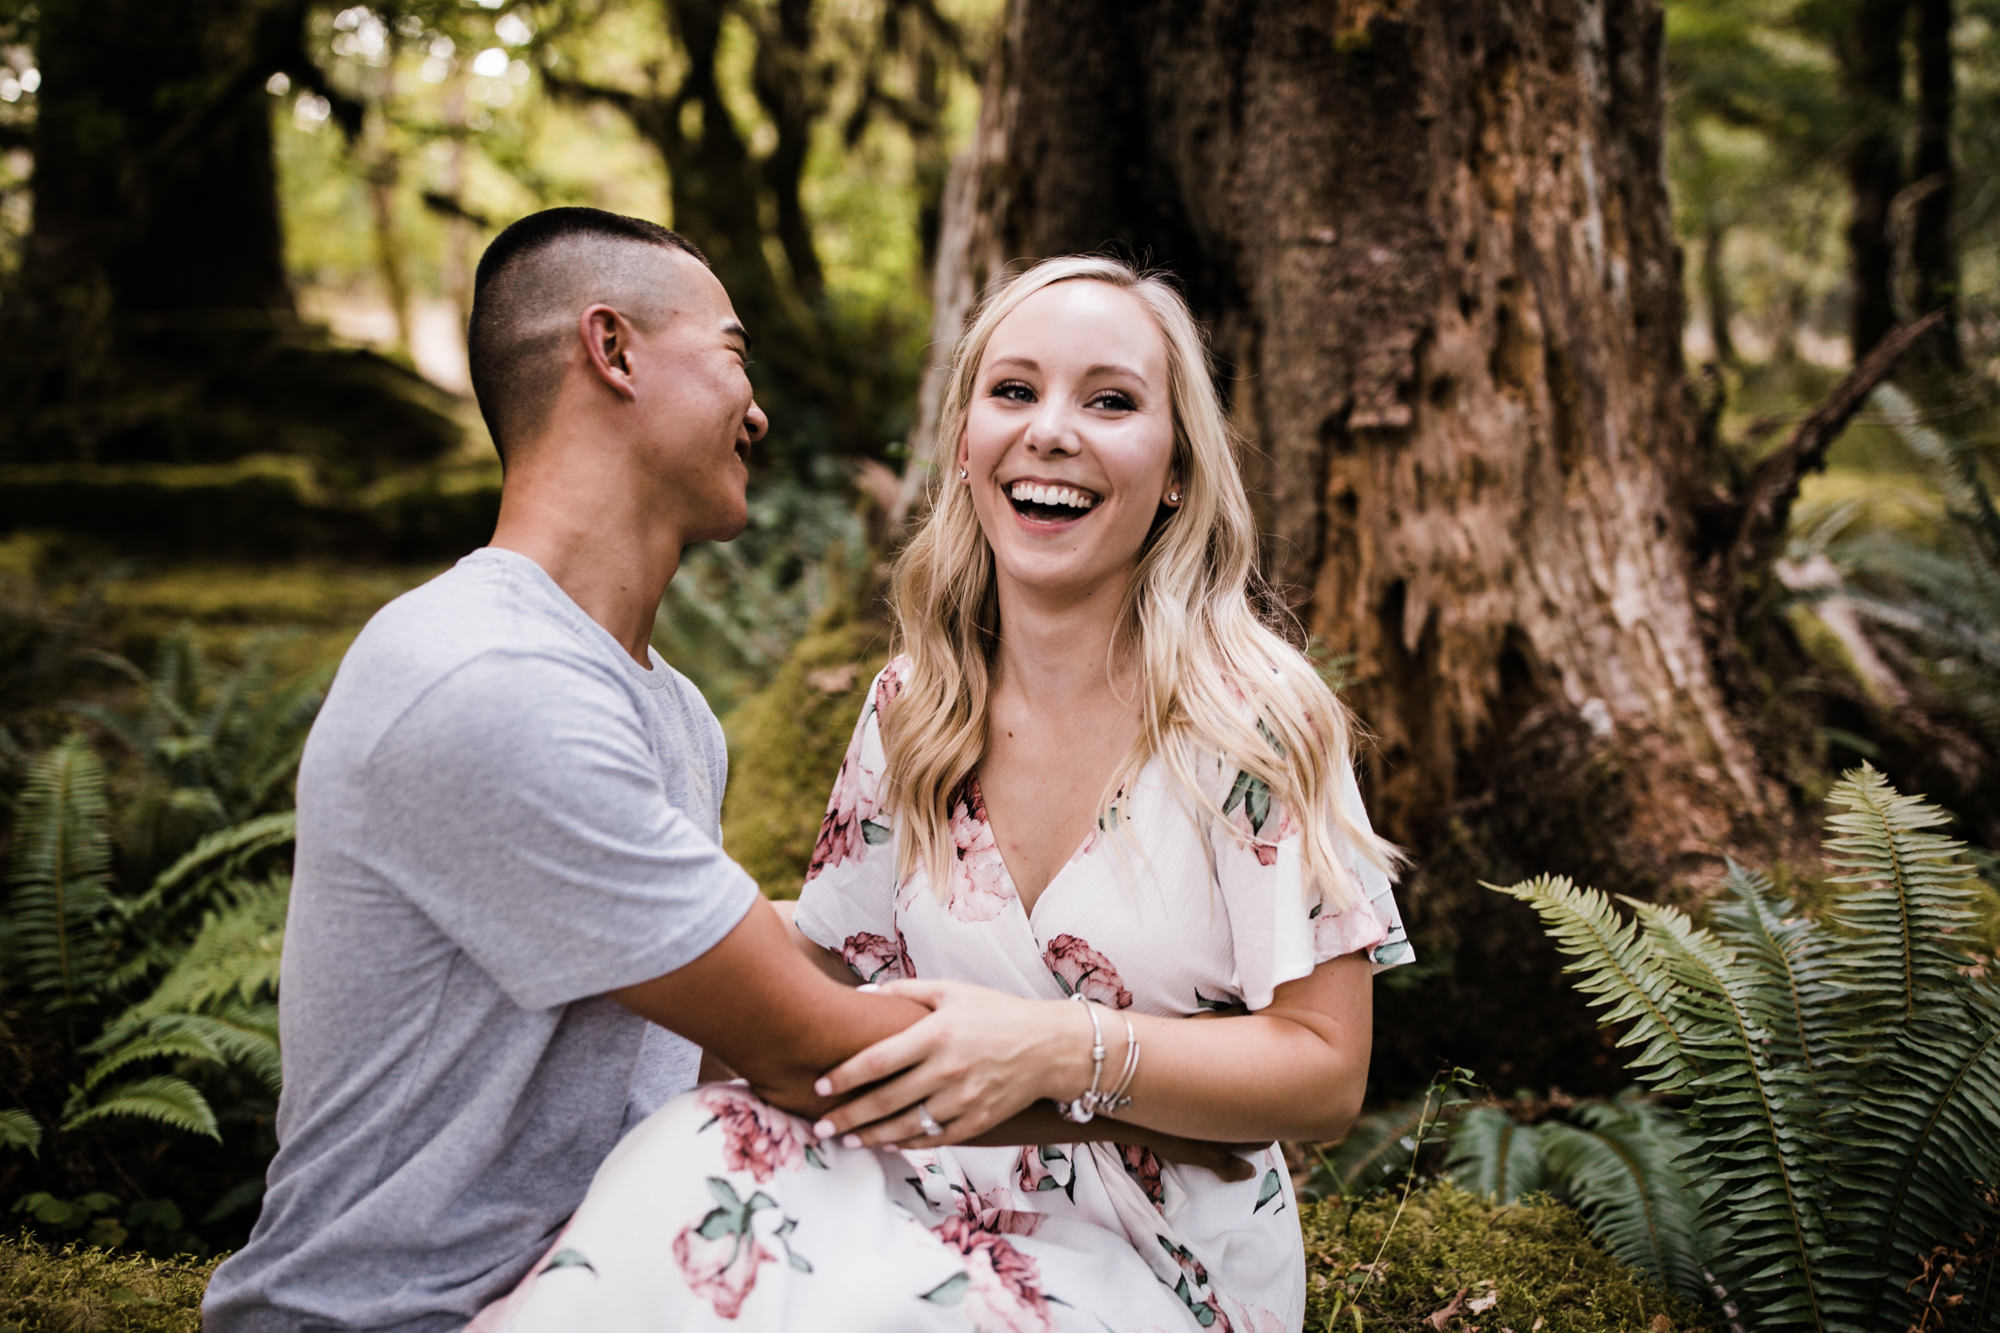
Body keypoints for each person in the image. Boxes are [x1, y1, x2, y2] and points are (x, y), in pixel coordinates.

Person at [471, 255, 1412, 1333]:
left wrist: (1059, 1047)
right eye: (1011, 391)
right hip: (911, 1194)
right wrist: (609, 928)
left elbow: (1325, 1074)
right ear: (965, 449)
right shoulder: (915, 702)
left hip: (1158, 1261)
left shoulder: (1251, 719)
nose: (1050, 430)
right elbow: (827, 965)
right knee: (696, 1146)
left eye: (1109, 401)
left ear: (1177, 476)